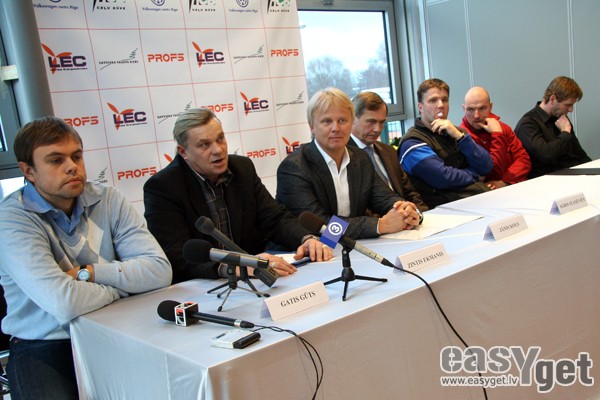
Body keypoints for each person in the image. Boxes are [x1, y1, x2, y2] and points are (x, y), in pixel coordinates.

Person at [0, 116, 172, 399]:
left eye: (76, 156)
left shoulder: (108, 198)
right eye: (56, 160)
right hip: (46, 343)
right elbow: (64, 302)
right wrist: (123, 288)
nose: (72, 166)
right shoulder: (12, 218)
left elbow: (158, 271)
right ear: (28, 170)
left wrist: (89, 272)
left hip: (116, 327)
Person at [143, 108, 332, 284]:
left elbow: (274, 218)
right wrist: (234, 267)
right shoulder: (163, 187)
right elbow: (176, 255)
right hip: (204, 284)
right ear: (183, 151)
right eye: (204, 145)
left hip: (256, 278)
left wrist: (306, 238)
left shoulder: (242, 168)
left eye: (220, 139)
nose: (218, 150)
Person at [276, 87, 421, 240]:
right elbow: (320, 227)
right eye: (327, 121)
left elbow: (384, 198)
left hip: (351, 246)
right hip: (306, 249)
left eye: (342, 121)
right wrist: (380, 225)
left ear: (352, 123)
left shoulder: (360, 158)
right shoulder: (294, 167)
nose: (336, 128)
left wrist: (405, 211)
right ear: (312, 126)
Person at [399, 78, 493, 208]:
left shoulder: (455, 132)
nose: (441, 105)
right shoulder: (412, 143)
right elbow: (443, 178)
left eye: (444, 100)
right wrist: (475, 175)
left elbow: (486, 166)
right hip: (438, 209)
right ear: (420, 107)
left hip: (470, 201)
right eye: (433, 100)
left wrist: (460, 137)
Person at [348, 91, 428, 211]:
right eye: (371, 122)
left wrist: (423, 215)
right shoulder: (343, 156)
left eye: (382, 122)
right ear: (353, 118)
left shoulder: (388, 151)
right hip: (377, 221)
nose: (377, 129)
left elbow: (409, 193)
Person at [515, 76, 591, 178]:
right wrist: (565, 133)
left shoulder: (561, 118)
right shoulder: (528, 124)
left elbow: (580, 154)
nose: (571, 110)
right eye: (567, 105)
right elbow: (546, 155)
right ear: (552, 99)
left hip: (573, 174)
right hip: (549, 179)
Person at [460, 86, 531, 189]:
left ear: (490, 107)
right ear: (463, 109)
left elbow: (524, 161)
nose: (476, 115)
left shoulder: (503, 128)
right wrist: (497, 134)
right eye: (470, 109)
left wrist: (504, 182)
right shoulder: (463, 138)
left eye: (482, 108)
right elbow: (492, 173)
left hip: (515, 186)